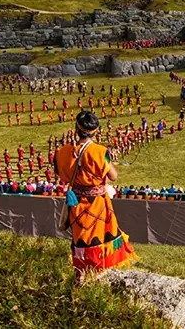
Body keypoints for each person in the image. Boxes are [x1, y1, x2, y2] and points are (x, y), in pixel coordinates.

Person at [55, 112, 137, 282]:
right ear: (96, 130)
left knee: (80, 240)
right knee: (100, 239)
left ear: (76, 128)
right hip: (97, 205)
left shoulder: (62, 152)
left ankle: (80, 276)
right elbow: (113, 176)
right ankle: (99, 276)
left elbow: (61, 174)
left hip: (76, 203)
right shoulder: (100, 151)